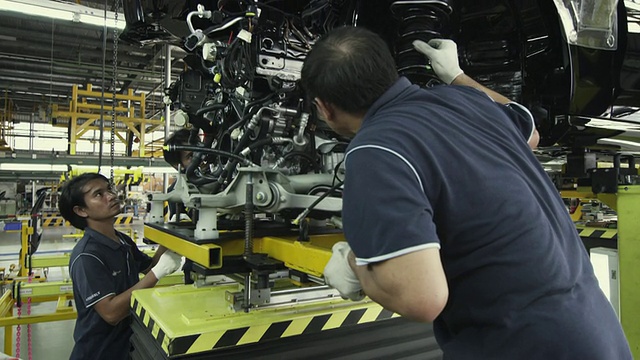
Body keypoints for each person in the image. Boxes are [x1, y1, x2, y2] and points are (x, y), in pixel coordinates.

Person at [305, 26, 632, 359]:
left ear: (324, 107)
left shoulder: (374, 149)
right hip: (597, 333)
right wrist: (457, 75)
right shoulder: (466, 99)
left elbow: (422, 298)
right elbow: (530, 132)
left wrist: (352, 265)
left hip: (520, 346)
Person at [59, 173, 183, 360]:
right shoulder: (87, 256)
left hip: (127, 346)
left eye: (109, 189)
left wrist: (169, 237)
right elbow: (111, 313)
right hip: (99, 353)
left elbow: (149, 267)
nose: (111, 195)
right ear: (81, 211)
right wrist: (158, 273)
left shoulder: (121, 240)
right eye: (98, 194)